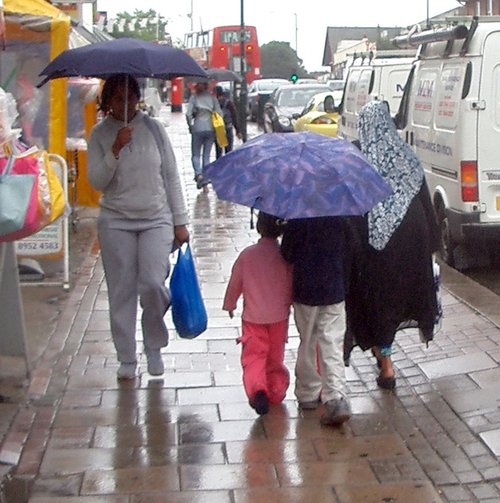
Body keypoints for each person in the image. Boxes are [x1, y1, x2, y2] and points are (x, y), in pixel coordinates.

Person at [87, 74, 190, 380]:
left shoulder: (154, 129)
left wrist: (180, 221)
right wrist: (114, 150)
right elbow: (97, 181)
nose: (126, 103)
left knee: (153, 284)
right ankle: (127, 357)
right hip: (116, 221)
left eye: (131, 97)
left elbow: (171, 175)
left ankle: (154, 346)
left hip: (156, 218)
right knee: (121, 291)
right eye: (118, 98)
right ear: (108, 103)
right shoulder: (100, 134)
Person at [345, 99, 441, 389]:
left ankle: (386, 366)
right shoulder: (406, 155)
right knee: (400, 298)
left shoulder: (358, 157)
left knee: (379, 303)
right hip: (414, 239)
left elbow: (352, 208)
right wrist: (433, 245)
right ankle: (382, 353)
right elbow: (425, 202)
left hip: (378, 245)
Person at [281, 216, 352, 426]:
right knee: (332, 342)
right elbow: (351, 250)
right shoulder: (340, 216)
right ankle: (335, 396)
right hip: (334, 288)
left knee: (308, 339)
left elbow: (287, 253)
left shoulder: (299, 217)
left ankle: (307, 393)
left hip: (305, 289)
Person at [223, 212, 293, 415]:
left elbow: (235, 281)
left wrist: (230, 304)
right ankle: (276, 390)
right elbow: (290, 284)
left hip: (253, 317)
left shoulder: (247, 255)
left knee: (254, 355)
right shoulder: (284, 256)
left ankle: (257, 390)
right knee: (274, 356)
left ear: (259, 227)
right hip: (279, 317)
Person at [185, 81, 223, 191]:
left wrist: (190, 125)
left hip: (197, 127)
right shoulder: (212, 98)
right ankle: (205, 179)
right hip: (210, 128)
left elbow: (188, 114)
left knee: (195, 154)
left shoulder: (194, 98)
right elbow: (219, 113)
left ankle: (198, 173)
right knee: (206, 155)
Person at [214, 85, 241, 159]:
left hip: (219, 128)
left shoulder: (214, 102)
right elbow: (234, 116)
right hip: (228, 127)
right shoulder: (228, 102)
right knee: (228, 150)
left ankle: (219, 166)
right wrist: (237, 130)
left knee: (219, 150)